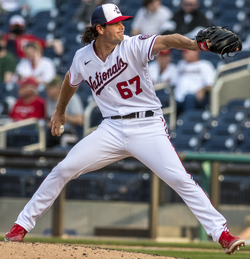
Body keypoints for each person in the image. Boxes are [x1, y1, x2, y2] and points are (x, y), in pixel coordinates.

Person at [4, 3, 245, 255]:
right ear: (99, 29)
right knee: (63, 169)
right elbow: (69, 80)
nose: (122, 26)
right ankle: (20, 226)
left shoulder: (132, 44)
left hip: (147, 125)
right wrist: (59, 111)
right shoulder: (83, 57)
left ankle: (223, 234)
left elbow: (167, 40)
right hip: (111, 128)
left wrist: (196, 45)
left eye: (122, 21)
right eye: (116, 23)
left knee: (180, 180)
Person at [45, 75, 84, 148]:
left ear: (57, 88)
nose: (47, 91)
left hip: (70, 132)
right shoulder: (49, 100)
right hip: (53, 132)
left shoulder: (72, 98)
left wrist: (61, 115)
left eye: (49, 88)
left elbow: (80, 120)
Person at [173, 49, 215, 116]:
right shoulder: (181, 64)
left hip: (195, 97)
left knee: (189, 97)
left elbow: (210, 84)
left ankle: (187, 123)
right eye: (183, 52)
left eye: (186, 52)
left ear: (196, 52)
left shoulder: (205, 65)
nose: (184, 54)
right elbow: (173, 82)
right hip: (177, 97)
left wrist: (203, 89)